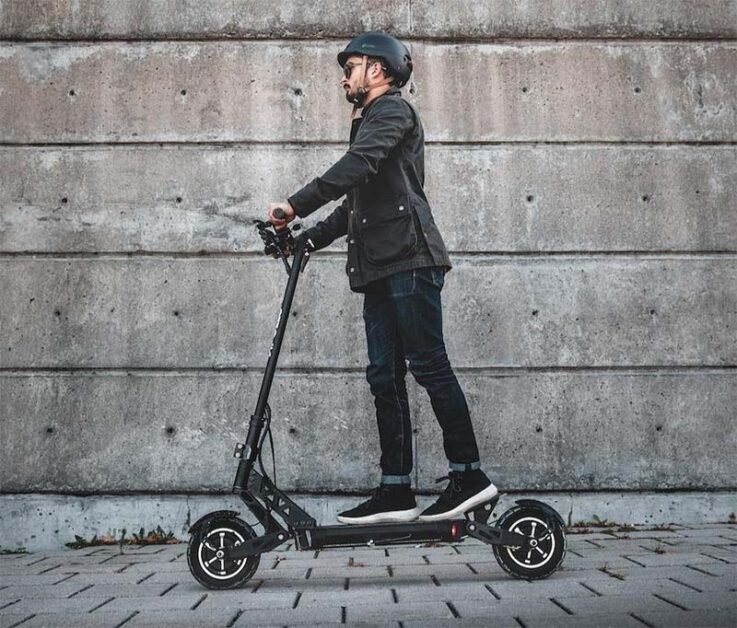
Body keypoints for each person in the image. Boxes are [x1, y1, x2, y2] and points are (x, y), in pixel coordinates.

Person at [266, 32, 497, 524]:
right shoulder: (371, 123)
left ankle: (470, 476)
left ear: (378, 69)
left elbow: (355, 167)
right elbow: (356, 204)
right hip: (380, 268)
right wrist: (306, 238)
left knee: (429, 366)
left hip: (411, 261)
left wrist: (294, 203)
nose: (344, 77)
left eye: (351, 66)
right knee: (383, 377)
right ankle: (396, 490)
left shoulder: (391, 112)